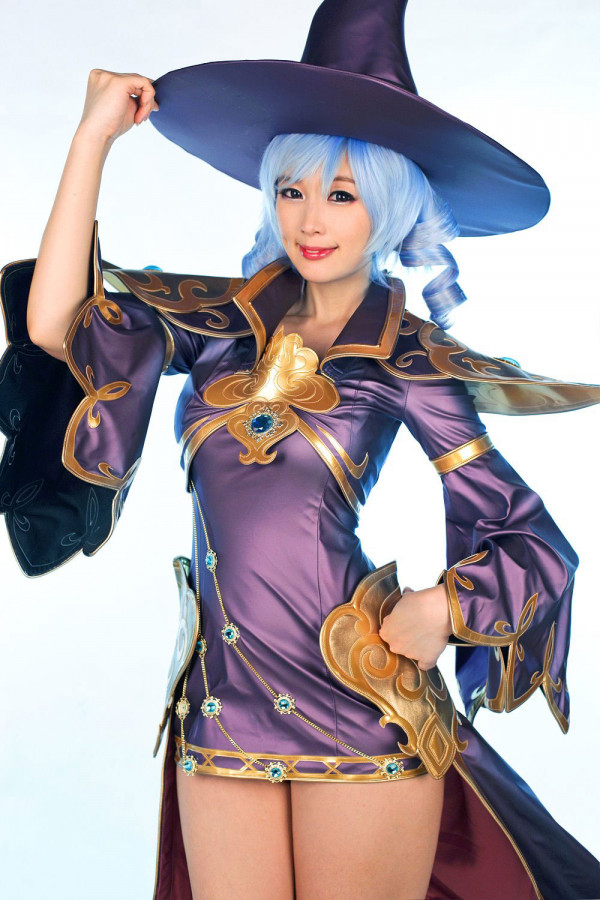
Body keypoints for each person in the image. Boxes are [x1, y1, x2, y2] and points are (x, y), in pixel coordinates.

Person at [2, 1, 600, 898]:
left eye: (342, 195)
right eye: (292, 190)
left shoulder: (409, 361)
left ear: (389, 206)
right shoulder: (214, 329)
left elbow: (533, 538)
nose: (310, 219)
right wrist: (92, 140)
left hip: (360, 698)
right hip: (220, 701)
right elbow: (57, 325)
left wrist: (446, 606)